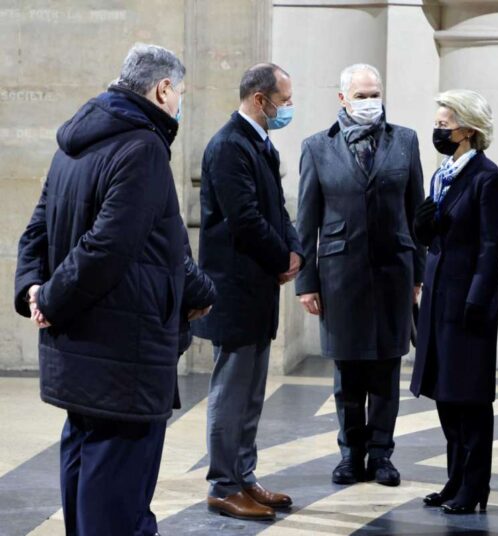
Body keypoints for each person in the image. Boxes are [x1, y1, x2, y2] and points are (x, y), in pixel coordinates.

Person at [13, 43, 212, 535]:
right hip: (124, 351)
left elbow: (38, 228)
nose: (179, 102)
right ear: (163, 88)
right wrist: (50, 300)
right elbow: (108, 247)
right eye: (180, 92)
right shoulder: (141, 146)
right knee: (119, 492)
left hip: (81, 347)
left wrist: (33, 291)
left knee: (85, 464)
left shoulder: (76, 140)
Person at [296, 63, 425, 487]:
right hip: (340, 274)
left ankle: (382, 455)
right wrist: (306, 282)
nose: (371, 101)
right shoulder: (317, 147)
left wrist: (419, 275)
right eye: (362, 95)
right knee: (348, 372)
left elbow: (417, 214)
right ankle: (350, 454)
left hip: (393, 272)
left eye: (375, 93)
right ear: (343, 99)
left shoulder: (404, 141)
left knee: (387, 369)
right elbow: (306, 221)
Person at [193, 63, 302, 521]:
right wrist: (284, 259)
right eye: (285, 100)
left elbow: (276, 210)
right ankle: (222, 485)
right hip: (236, 291)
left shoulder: (259, 145)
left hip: (257, 290)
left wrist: (294, 249)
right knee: (231, 391)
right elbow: (246, 220)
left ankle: (244, 475)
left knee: (252, 393)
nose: (288, 108)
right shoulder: (227, 146)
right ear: (260, 99)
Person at [410, 89, 498, 515]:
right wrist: (423, 226)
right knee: (447, 395)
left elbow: (493, 247)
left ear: (468, 130)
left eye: (443, 125)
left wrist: (476, 300)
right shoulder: (444, 174)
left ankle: (474, 487)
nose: (437, 131)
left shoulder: (489, 179)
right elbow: (437, 235)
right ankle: (454, 481)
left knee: (470, 399)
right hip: (437, 298)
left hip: (468, 304)